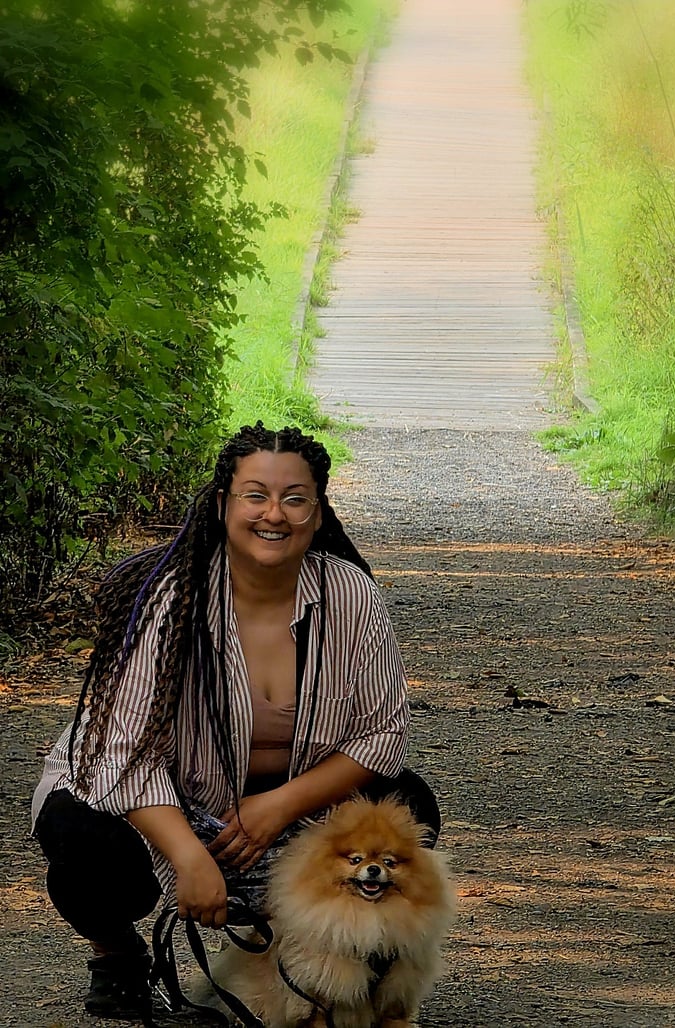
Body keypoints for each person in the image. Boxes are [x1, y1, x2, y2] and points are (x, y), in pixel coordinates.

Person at [31, 422, 440, 1022]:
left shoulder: (351, 594)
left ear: (318, 512)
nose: (274, 514)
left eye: (295, 498)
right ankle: (116, 953)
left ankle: (332, 960)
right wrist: (190, 859)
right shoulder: (172, 600)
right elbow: (124, 756)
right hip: (163, 795)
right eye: (255, 495)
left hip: (290, 799)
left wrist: (277, 807)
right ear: (223, 504)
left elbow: (382, 734)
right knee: (79, 836)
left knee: (410, 805)